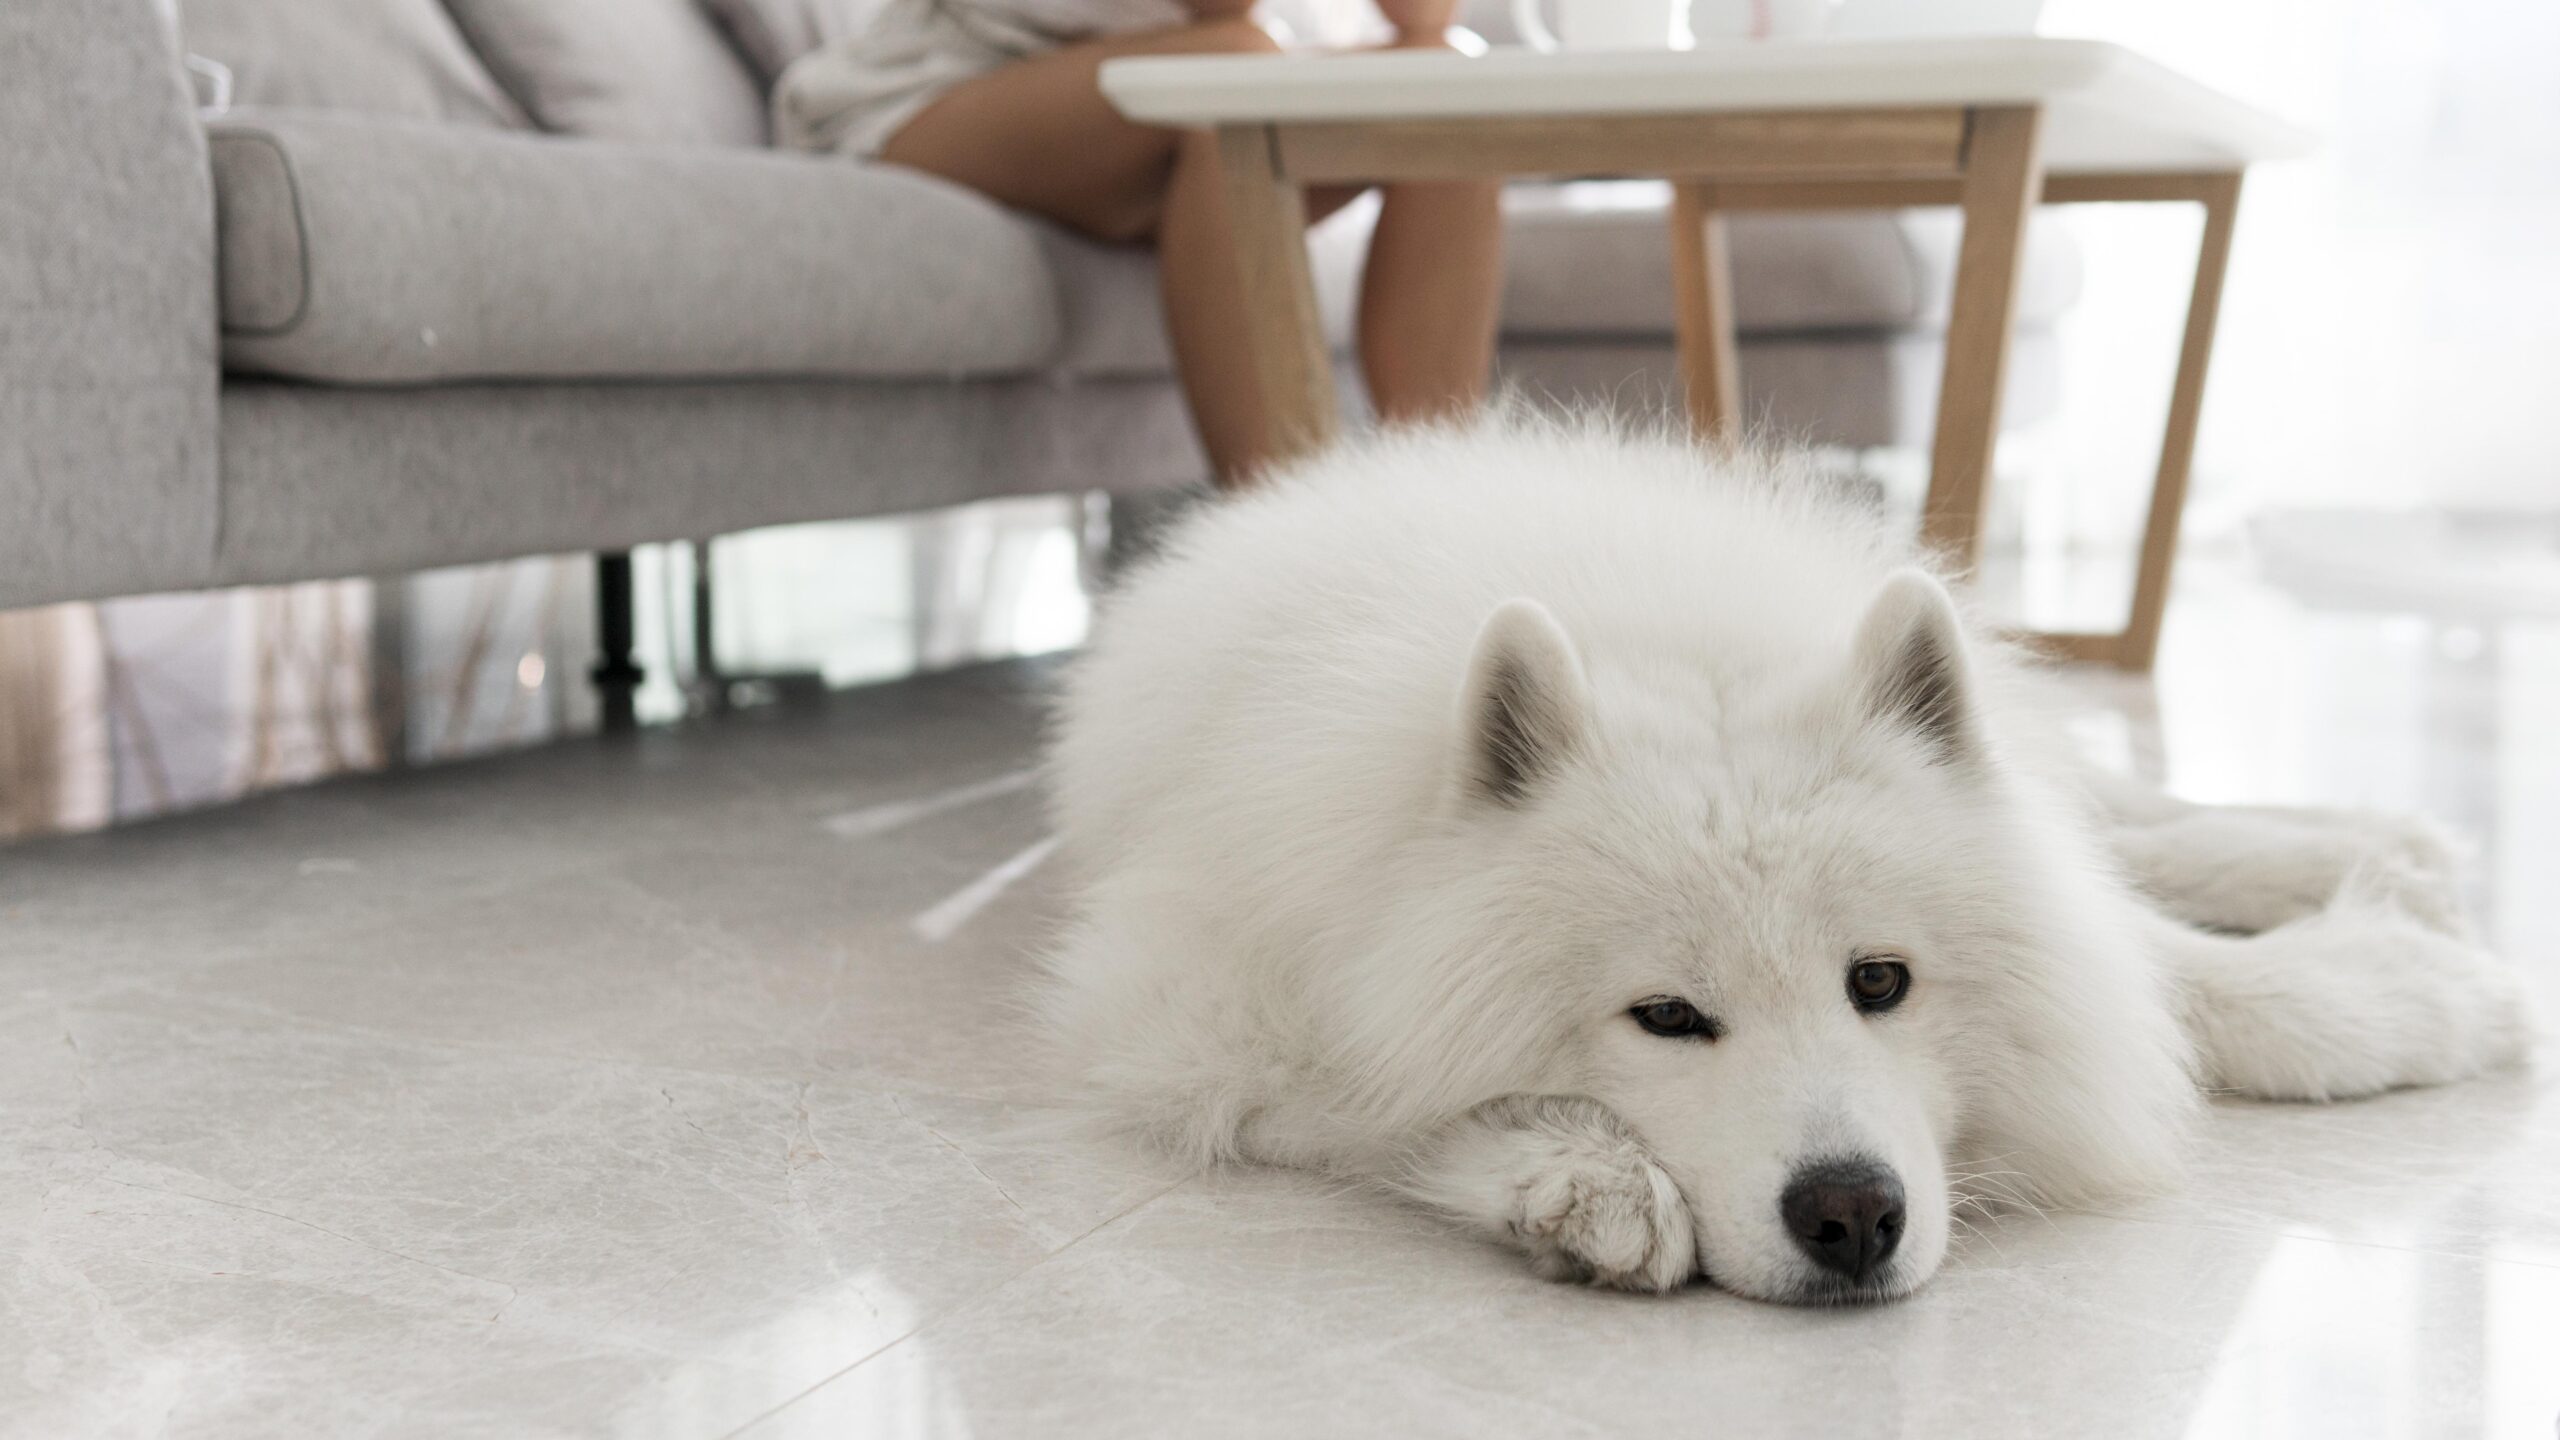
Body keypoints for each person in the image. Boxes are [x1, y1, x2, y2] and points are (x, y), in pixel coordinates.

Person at [777, 0, 1507, 485]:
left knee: (1447, 85)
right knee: (1236, 76)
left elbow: (1422, 16)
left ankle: (1440, 515)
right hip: (934, 92)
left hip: (1151, 111)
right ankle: (1288, 550)